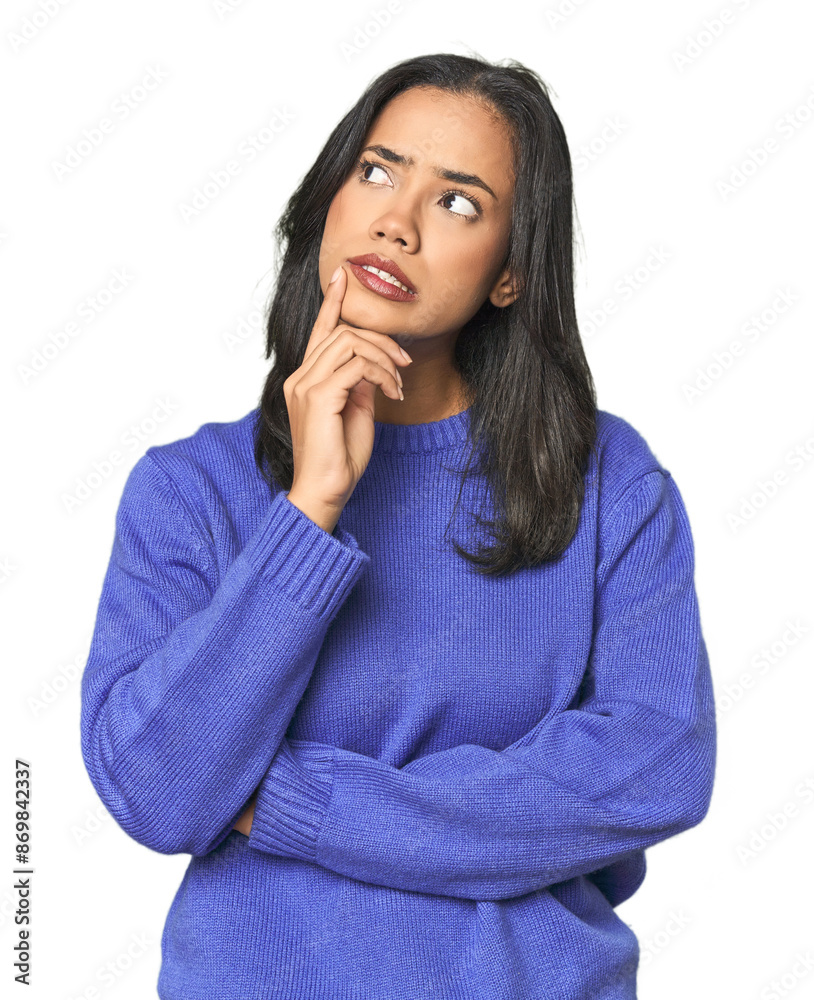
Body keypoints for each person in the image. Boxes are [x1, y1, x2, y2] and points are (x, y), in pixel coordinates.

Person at [80, 51, 716, 999]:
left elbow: (655, 768)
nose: (397, 220)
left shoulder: (608, 483)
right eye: (377, 171)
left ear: (509, 274)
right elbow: (161, 793)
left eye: (459, 202)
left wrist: (285, 798)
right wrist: (312, 508)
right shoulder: (188, 492)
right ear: (328, 200)